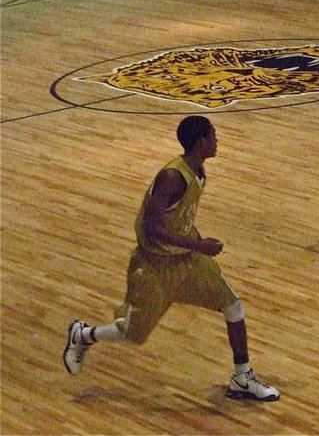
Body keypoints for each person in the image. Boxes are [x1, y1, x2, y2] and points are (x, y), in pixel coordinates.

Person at [62, 116, 280, 402]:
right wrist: (198, 244)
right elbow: (154, 226)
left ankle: (242, 376)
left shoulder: (197, 171)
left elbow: (179, 218)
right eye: (213, 135)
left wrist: (195, 244)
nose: (217, 140)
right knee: (133, 335)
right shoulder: (172, 177)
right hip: (152, 268)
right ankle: (83, 335)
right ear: (201, 142)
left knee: (233, 304)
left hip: (186, 262)